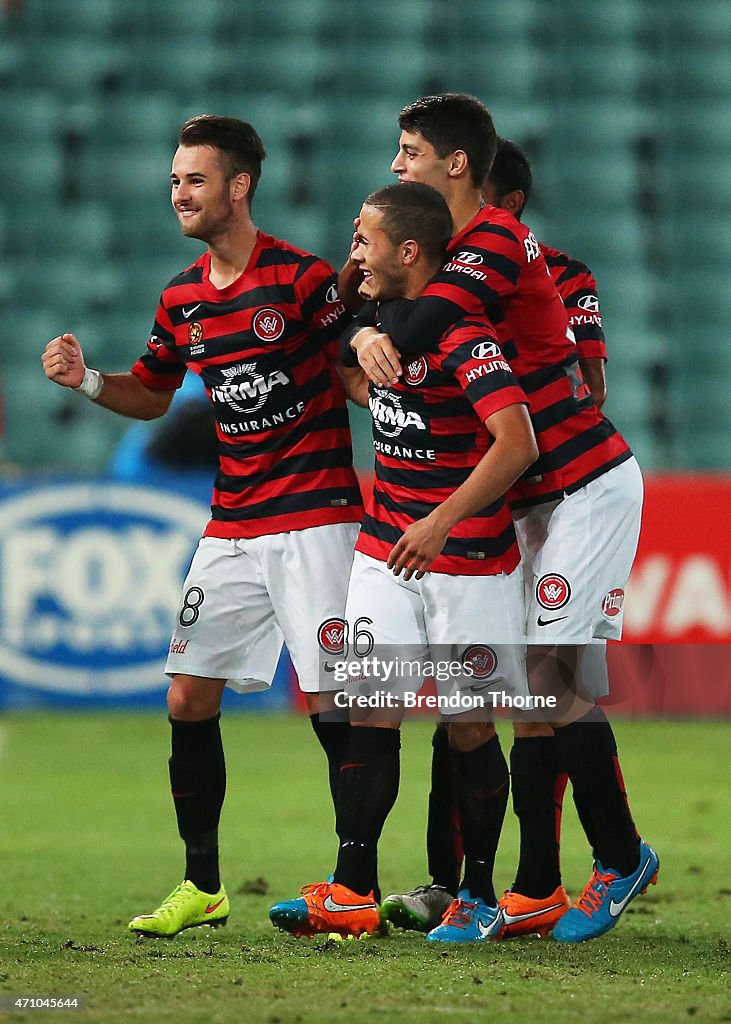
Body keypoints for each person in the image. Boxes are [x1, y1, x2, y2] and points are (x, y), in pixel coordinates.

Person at [342, 95, 658, 944]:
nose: (397, 162)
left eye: (409, 150)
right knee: (521, 690)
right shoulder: (444, 251)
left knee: (551, 677)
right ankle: (533, 884)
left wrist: (370, 326)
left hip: (581, 485)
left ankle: (621, 857)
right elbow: (383, 304)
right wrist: (365, 323)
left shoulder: (489, 242)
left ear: (455, 165)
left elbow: (424, 322)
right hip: (525, 499)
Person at [42, 114, 366, 938]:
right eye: (175, 179)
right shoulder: (182, 296)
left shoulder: (299, 278)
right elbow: (151, 393)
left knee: (333, 702)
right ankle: (203, 886)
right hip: (231, 524)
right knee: (188, 697)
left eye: (194, 179)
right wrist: (87, 382)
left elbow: (353, 372)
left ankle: (354, 882)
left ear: (239, 186)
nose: (178, 192)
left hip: (314, 517)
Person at [268, 181, 538, 941]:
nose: (351, 251)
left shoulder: (464, 336)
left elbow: (516, 443)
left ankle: (477, 896)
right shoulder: (383, 324)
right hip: (382, 553)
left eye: (363, 239)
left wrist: (442, 521)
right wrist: (353, 339)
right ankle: (352, 888)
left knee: (468, 727)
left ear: (409, 251)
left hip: (468, 560)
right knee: (371, 712)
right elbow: (367, 386)